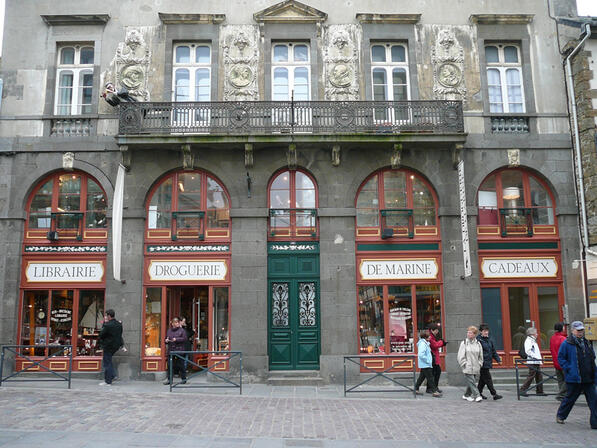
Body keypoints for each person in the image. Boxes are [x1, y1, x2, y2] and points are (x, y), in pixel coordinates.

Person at [556, 321, 597, 429]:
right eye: (578, 330)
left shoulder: (587, 342)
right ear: (573, 331)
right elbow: (561, 358)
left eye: (582, 330)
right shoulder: (567, 343)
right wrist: (569, 368)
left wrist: (594, 372)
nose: (580, 332)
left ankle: (595, 423)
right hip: (574, 378)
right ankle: (561, 415)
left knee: (594, 401)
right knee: (570, 399)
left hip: (588, 377)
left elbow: (592, 358)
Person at [458, 326, 484, 402]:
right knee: (472, 381)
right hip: (467, 366)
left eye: (470, 333)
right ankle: (477, 395)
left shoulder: (478, 343)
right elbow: (460, 355)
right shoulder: (464, 343)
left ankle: (466, 395)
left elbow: (480, 355)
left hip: (476, 366)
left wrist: (479, 364)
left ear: (474, 334)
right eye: (468, 332)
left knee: (471, 382)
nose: (468, 334)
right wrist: (464, 364)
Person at [476, 323, 502, 400]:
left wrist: (498, 360)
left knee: (483, 380)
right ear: (481, 331)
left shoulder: (489, 339)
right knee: (488, 378)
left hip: (488, 362)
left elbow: (493, 351)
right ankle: (494, 394)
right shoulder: (478, 340)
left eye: (487, 331)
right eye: (484, 331)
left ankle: (478, 393)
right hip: (482, 363)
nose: (486, 332)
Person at [98, 309, 123, 386]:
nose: (105, 317)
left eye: (106, 315)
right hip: (116, 346)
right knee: (108, 361)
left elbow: (101, 334)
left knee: (107, 363)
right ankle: (112, 375)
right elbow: (120, 335)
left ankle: (109, 380)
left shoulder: (108, 325)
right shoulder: (119, 324)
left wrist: (104, 324)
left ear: (109, 316)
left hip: (108, 346)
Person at [414, 329, 442, 397]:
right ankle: (434, 391)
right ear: (425, 337)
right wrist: (428, 361)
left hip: (425, 364)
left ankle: (416, 389)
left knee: (421, 377)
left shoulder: (425, 343)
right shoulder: (423, 344)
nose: (430, 337)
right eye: (429, 336)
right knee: (430, 378)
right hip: (426, 364)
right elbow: (421, 355)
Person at [520, 327, 546, 396]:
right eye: (536, 333)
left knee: (539, 376)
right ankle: (522, 390)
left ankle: (540, 391)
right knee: (531, 376)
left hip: (535, 361)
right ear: (532, 334)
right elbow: (528, 351)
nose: (537, 334)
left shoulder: (532, 340)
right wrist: (535, 357)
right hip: (533, 361)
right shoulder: (529, 340)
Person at [163, 317, 187, 385]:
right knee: (170, 366)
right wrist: (166, 340)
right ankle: (169, 380)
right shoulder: (169, 330)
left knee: (181, 365)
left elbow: (184, 339)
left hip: (179, 350)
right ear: (172, 323)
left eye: (177, 322)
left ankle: (183, 379)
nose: (176, 323)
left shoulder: (182, 330)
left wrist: (177, 339)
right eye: (175, 322)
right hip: (171, 350)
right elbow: (166, 338)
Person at [549, 322, 568, 401]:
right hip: (563, 362)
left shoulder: (552, 338)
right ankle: (561, 394)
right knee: (568, 379)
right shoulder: (563, 338)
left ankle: (563, 395)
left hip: (556, 361)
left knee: (560, 380)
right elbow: (566, 351)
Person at [426, 323, 446, 393]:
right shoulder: (430, 337)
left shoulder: (433, 336)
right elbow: (434, 345)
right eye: (436, 330)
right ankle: (431, 388)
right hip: (432, 358)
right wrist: (441, 342)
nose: (437, 331)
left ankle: (433, 387)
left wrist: (441, 342)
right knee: (434, 373)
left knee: (434, 373)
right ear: (432, 330)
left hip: (434, 357)